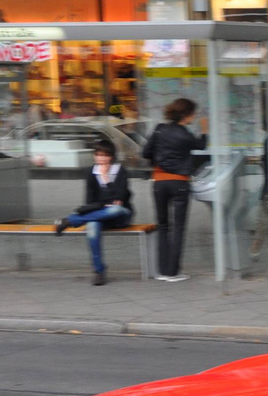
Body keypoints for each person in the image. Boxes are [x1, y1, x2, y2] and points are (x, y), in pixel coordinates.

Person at [140, 97, 206, 282]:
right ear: (186, 115)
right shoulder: (185, 135)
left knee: (163, 226)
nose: (194, 116)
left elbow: (145, 152)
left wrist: (159, 160)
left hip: (159, 182)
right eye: (193, 113)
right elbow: (201, 146)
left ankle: (162, 271)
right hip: (179, 183)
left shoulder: (160, 129)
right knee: (178, 228)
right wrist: (205, 131)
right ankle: (173, 272)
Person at [52, 140, 132, 286]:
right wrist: (106, 202)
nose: (101, 159)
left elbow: (120, 198)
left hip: (120, 216)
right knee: (92, 229)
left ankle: (71, 220)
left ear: (111, 157)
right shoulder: (91, 172)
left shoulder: (120, 171)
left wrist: (106, 179)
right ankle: (99, 270)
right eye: (98, 155)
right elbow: (90, 201)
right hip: (99, 215)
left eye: (104, 155)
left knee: (115, 209)